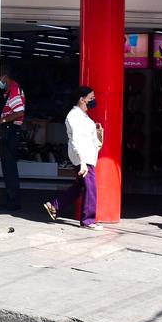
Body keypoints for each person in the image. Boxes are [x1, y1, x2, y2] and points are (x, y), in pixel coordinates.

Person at [44, 85, 101, 229]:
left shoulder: (83, 116)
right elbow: (76, 140)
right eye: (91, 98)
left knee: (81, 187)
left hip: (87, 156)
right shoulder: (74, 116)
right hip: (83, 157)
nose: (93, 100)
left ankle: (55, 205)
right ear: (82, 99)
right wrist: (82, 162)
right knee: (91, 188)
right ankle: (88, 220)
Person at [0, 67, 26, 211]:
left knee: (9, 168)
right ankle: (10, 198)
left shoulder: (14, 89)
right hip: (9, 131)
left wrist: (2, 121)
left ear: (5, 77)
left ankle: (13, 201)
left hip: (11, 131)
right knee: (8, 167)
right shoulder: (9, 91)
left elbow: (20, 111)